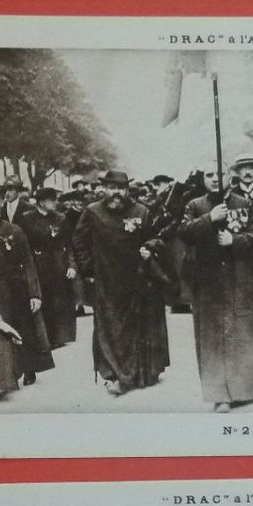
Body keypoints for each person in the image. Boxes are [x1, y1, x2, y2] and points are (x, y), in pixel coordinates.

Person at [179, 159, 253, 411]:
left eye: (220, 173)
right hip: (208, 282)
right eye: (210, 174)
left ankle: (245, 388)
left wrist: (234, 240)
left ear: (230, 177)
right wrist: (209, 219)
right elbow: (183, 232)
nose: (215, 178)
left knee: (242, 331)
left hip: (240, 279)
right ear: (203, 180)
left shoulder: (245, 204)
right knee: (212, 336)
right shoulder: (195, 205)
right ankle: (220, 394)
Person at [74, 170, 167, 396]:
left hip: (137, 281)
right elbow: (79, 241)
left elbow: (157, 238)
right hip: (106, 283)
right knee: (109, 330)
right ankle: (112, 376)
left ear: (127, 190)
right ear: (104, 189)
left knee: (136, 329)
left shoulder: (141, 211)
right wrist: (89, 271)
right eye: (112, 188)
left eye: (121, 188)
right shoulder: (93, 212)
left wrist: (150, 249)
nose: (117, 193)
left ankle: (139, 373)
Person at [0, 183, 49, 404]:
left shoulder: (15, 230)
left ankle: (27, 369)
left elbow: (28, 262)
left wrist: (35, 293)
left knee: (23, 331)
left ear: (4, 200)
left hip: (17, 291)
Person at [21, 186, 78, 350]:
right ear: (41, 202)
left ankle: (56, 337)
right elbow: (23, 245)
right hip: (36, 267)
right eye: (51, 200)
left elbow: (69, 244)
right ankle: (42, 338)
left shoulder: (61, 219)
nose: (55, 202)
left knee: (57, 303)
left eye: (55, 199)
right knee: (40, 301)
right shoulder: (27, 219)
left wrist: (71, 265)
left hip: (57, 266)